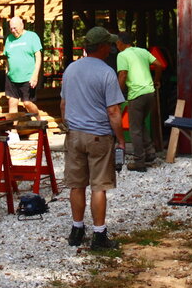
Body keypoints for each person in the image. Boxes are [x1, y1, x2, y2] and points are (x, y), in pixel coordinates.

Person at [61, 26, 126, 251]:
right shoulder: (106, 72)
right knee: (99, 186)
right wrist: (121, 139)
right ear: (102, 47)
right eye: (109, 44)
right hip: (98, 135)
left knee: (76, 185)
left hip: (74, 135)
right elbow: (113, 111)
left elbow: (63, 104)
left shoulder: (71, 69)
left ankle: (76, 230)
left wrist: (68, 126)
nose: (111, 48)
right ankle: (99, 235)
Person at [115, 32, 163, 172]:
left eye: (117, 42)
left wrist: (117, 94)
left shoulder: (122, 55)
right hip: (150, 93)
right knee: (140, 124)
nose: (116, 45)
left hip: (136, 95)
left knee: (134, 129)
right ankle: (150, 152)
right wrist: (156, 80)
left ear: (121, 43)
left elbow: (123, 75)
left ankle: (139, 162)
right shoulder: (142, 51)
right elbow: (159, 65)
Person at [3, 16, 42, 121]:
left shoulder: (32, 36)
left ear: (22, 25)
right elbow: (7, 56)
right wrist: (7, 70)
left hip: (27, 77)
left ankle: (40, 122)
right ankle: (13, 131)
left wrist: (35, 75)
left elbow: (38, 56)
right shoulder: (9, 39)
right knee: (12, 101)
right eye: (11, 28)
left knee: (27, 103)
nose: (13, 30)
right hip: (12, 77)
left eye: (15, 28)